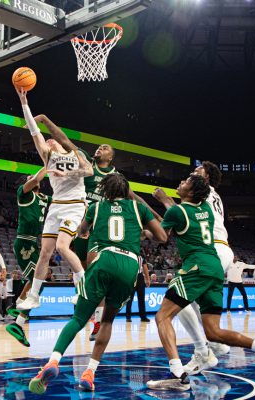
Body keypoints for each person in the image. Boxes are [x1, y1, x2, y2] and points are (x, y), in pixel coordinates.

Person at [28, 173, 167, 394]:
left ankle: (52, 362)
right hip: (130, 265)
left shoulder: (97, 207)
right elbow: (162, 237)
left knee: (78, 318)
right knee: (108, 321)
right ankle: (89, 373)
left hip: (104, 260)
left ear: (106, 191)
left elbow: (80, 232)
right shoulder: (138, 209)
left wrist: (89, 229)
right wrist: (143, 231)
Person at [147, 174, 255, 391]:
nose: (181, 182)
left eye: (185, 182)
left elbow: (162, 237)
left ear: (191, 193)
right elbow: (181, 215)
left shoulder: (177, 211)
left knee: (163, 316)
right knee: (213, 332)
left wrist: (145, 229)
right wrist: (165, 203)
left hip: (196, 267)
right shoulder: (206, 212)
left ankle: (178, 375)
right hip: (213, 269)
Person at [41, 118, 162, 340]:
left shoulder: (116, 178)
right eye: (99, 146)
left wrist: (155, 214)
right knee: (83, 271)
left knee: (96, 273)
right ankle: (86, 312)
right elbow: (63, 138)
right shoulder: (85, 162)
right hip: (79, 218)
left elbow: (134, 198)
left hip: (101, 228)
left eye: (105, 148)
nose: (100, 148)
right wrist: (44, 120)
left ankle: (97, 319)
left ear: (111, 157)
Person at [15, 88, 93, 311]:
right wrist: (24, 103)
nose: (48, 142)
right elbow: (33, 130)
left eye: (52, 141)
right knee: (45, 252)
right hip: (56, 206)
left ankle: (82, 287)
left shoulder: (74, 154)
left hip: (75, 205)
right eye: (47, 142)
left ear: (60, 144)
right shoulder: (48, 157)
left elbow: (89, 172)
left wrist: (67, 174)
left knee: (62, 246)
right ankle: (34, 295)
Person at [152, 161, 233, 375]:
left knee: (179, 300)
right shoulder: (214, 196)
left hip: (210, 251)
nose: (191, 174)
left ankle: (203, 349)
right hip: (218, 250)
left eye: (196, 172)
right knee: (191, 300)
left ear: (204, 180)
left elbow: (179, 212)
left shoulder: (202, 195)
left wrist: (163, 199)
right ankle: (211, 344)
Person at [6, 169, 50, 347]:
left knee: (36, 280)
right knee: (38, 281)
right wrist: (49, 164)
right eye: (30, 177)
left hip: (34, 243)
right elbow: (37, 177)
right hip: (24, 242)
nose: (34, 178)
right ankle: (18, 321)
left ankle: (17, 308)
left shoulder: (45, 198)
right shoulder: (23, 194)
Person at [125, 258, 151, 323]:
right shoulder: (141, 256)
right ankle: (142, 317)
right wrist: (147, 279)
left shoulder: (135, 256)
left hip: (133, 276)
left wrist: (147, 279)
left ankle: (129, 317)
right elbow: (145, 268)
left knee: (133, 299)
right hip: (134, 276)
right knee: (134, 299)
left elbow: (145, 268)